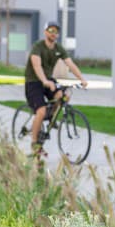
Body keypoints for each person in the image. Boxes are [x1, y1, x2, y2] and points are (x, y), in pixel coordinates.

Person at [24, 21, 89, 154]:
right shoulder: (38, 46)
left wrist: (81, 79)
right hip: (34, 81)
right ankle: (34, 143)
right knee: (41, 111)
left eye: (56, 31)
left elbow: (70, 63)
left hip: (48, 80)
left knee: (63, 96)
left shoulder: (59, 48)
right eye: (51, 30)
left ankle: (51, 116)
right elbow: (37, 66)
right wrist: (44, 81)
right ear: (45, 32)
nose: (54, 33)